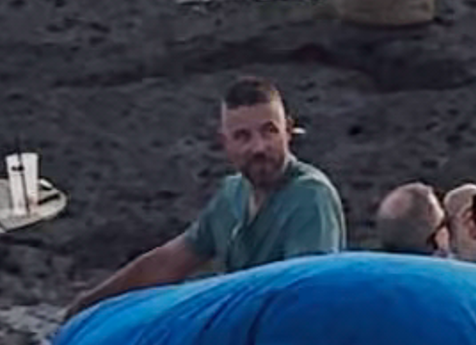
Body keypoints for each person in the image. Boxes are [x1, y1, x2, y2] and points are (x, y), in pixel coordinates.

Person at [78, 76, 346, 308]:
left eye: (269, 132)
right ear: (224, 142)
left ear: (288, 131)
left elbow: (307, 297)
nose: (259, 147)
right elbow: (169, 262)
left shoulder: (310, 196)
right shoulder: (232, 194)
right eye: (243, 136)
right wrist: (91, 303)